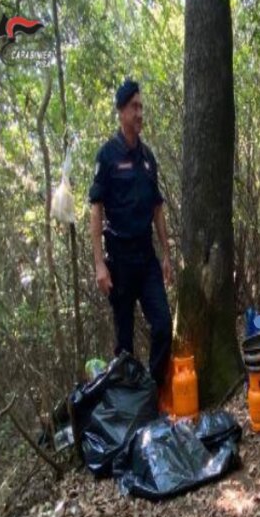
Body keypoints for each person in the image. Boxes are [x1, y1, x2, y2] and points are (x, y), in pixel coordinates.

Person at [89, 78, 173, 387]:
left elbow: (157, 209)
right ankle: (129, 405)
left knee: (163, 324)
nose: (140, 113)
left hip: (147, 258)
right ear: (122, 111)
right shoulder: (107, 156)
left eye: (141, 107)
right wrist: (99, 264)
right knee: (124, 346)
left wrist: (166, 254)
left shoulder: (148, 158)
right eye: (134, 107)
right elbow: (95, 210)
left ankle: (154, 389)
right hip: (120, 262)